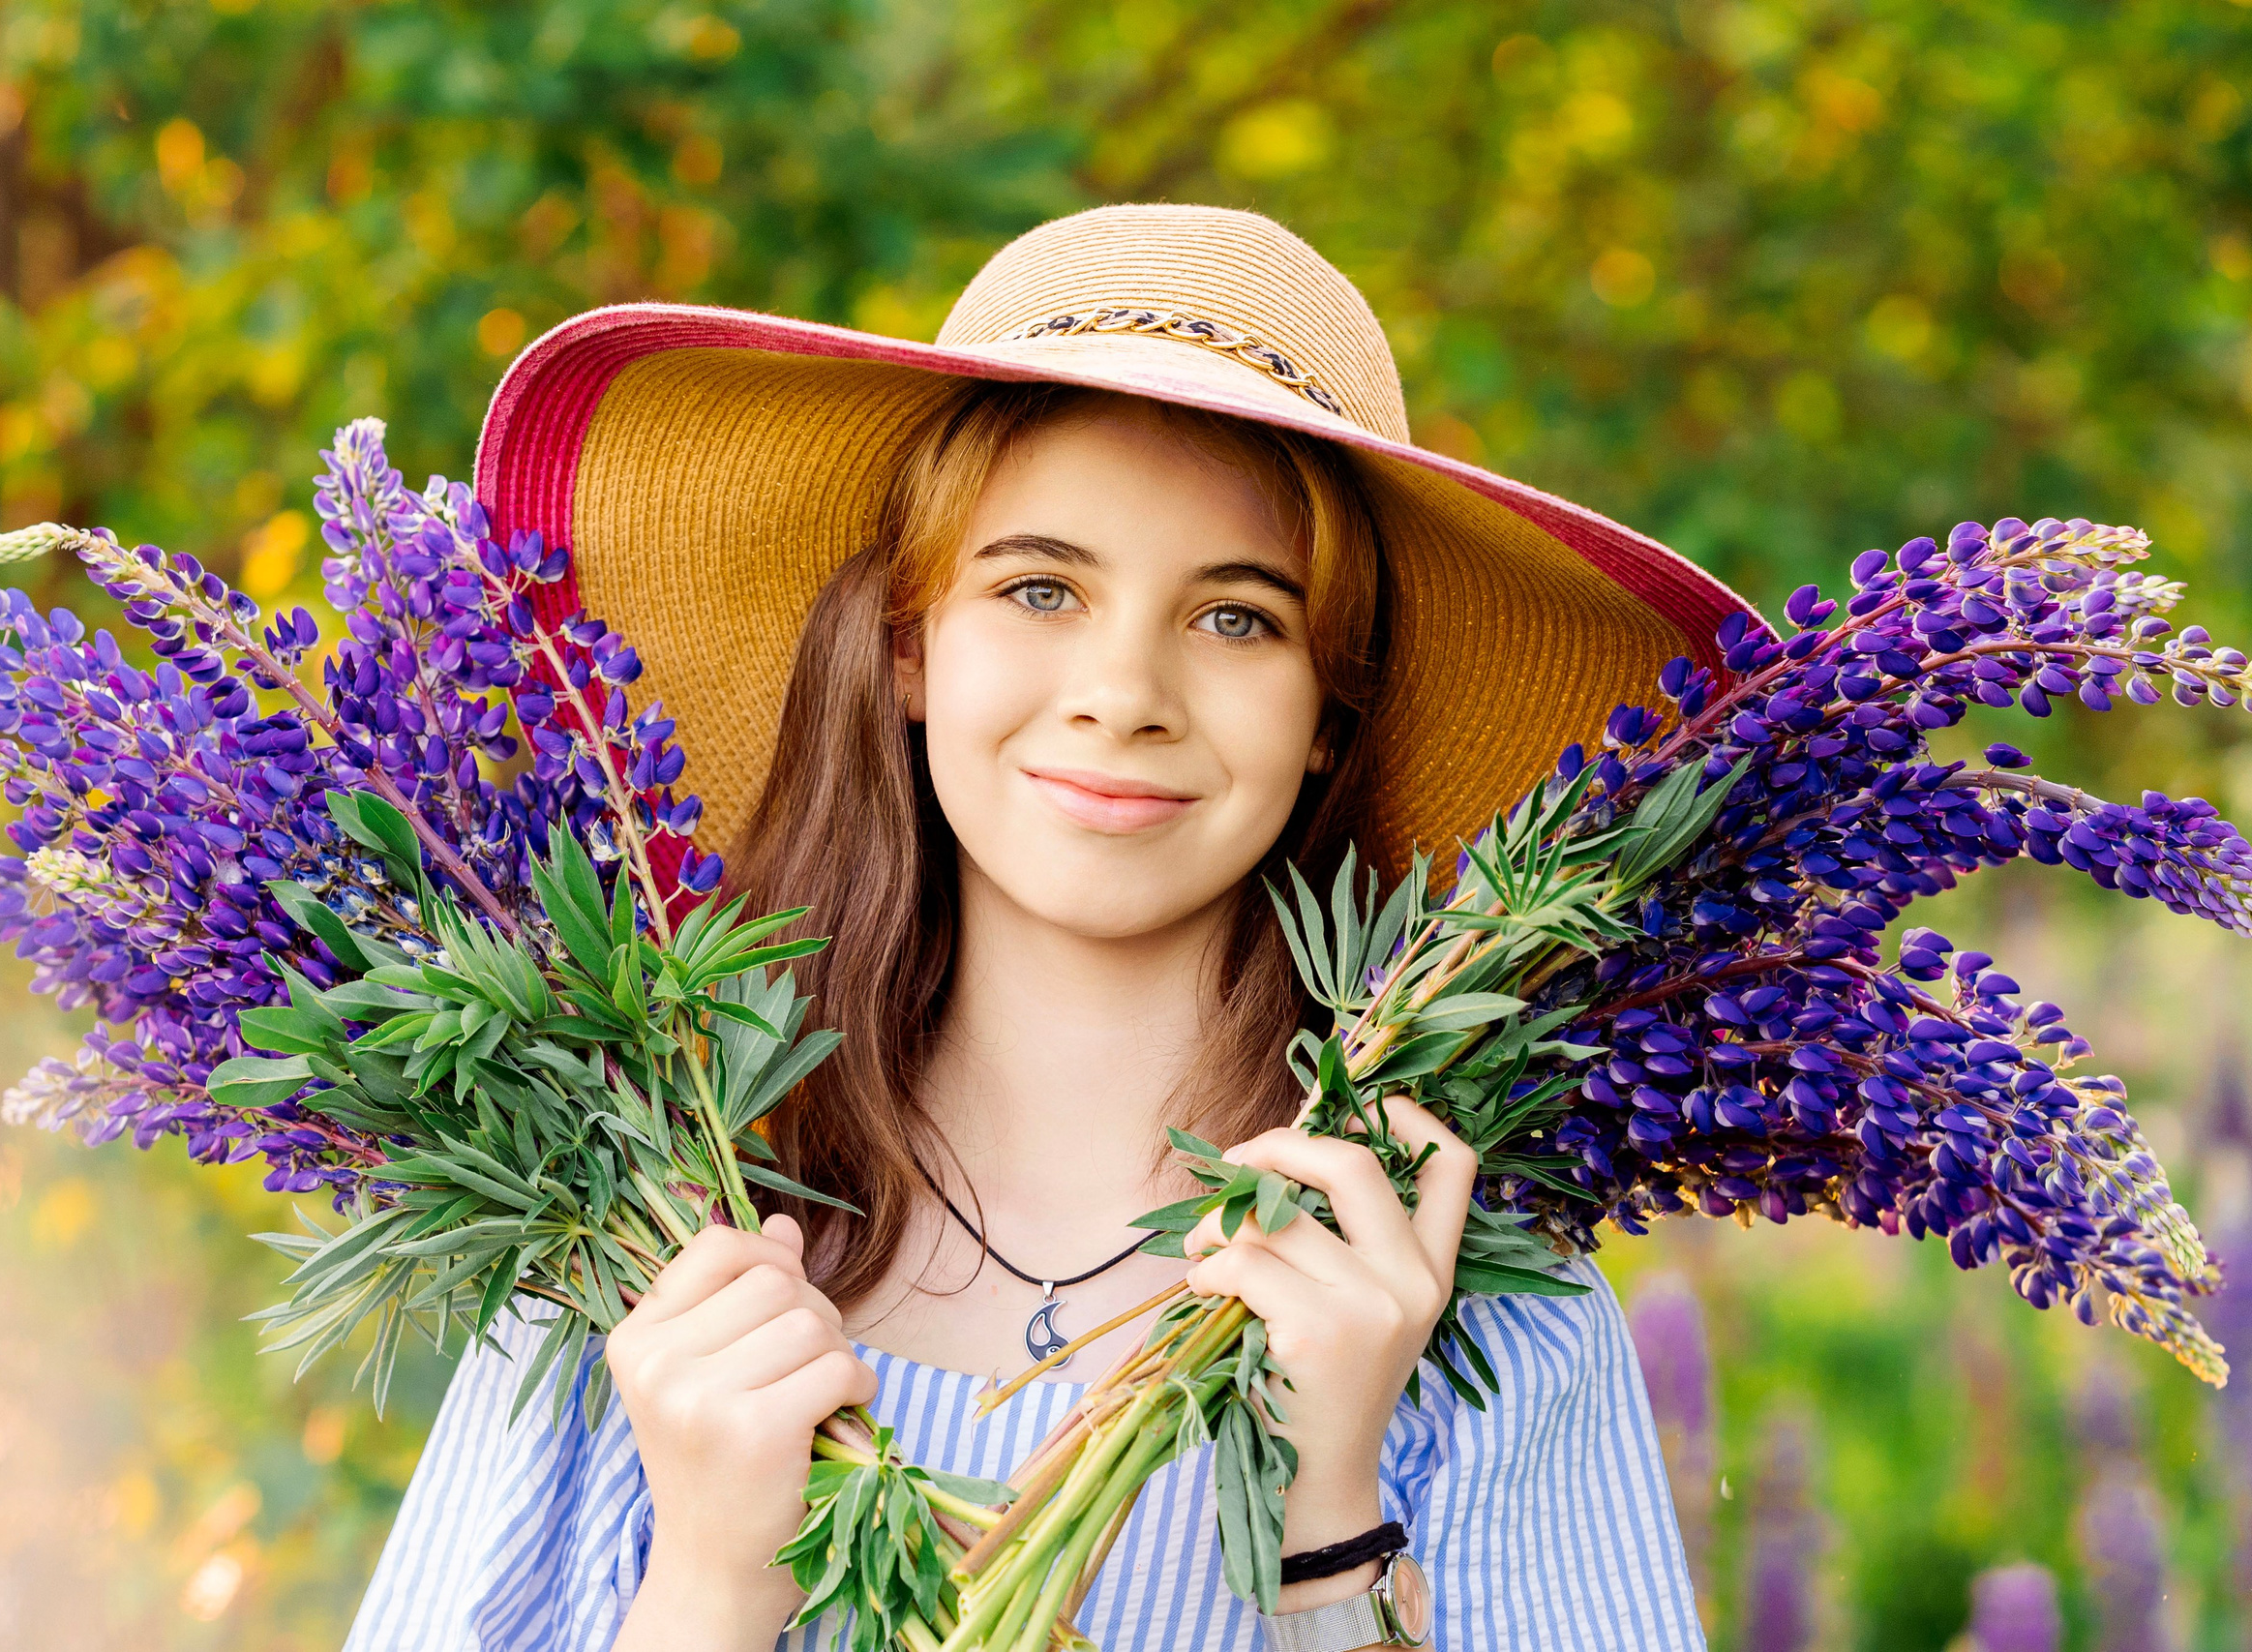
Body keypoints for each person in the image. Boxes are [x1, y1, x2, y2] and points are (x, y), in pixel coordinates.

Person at [347, 204, 1739, 1651]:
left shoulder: (1452, 1298)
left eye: (1240, 619)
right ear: (908, 647)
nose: (1121, 691)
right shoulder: (637, 1234)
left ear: (1331, 710)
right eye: (1038, 588)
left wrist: (1332, 1520)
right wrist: (709, 1582)